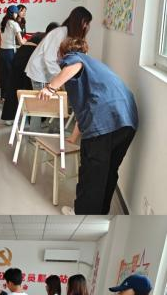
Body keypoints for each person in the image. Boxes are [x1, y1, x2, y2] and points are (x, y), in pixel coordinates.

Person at [38, 37, 138, 215]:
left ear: (62, 53)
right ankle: (101, 213)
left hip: (104, 121)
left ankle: (82, 215)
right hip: (127, 120)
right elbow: (85, 109)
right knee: (108, 171)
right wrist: (73, 138)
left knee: (91, 175)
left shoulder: (74, 58)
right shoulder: (95, 66)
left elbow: (74, 65)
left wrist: (51, 87)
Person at [0, 23, 59, 123]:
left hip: (19, 56)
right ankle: (36, 119)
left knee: (14, 86)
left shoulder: (39, 34)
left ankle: (9, 118)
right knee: (33, 90)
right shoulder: (50, 39)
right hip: (30, 59)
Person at [26, 6, 92, 90]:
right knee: (44, 97)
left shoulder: (71, 36)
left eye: (87, 23)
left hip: (49, 71)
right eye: (85, 22)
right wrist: (61, 79)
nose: (86, 26)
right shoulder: (60, 33)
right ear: (77, 21)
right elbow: (49, 59)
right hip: (40, 72)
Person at [0, 5, 26, 100]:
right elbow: (21, 42)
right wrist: (27, 42)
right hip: (10, 52)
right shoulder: (14, 24)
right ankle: (10, 97)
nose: (17, 15)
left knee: (3, 75)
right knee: (10, 75)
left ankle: (3, 96)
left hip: (2, 52)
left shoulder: (1, 23)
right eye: (16, 13)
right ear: (13, 13)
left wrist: (1, 47)